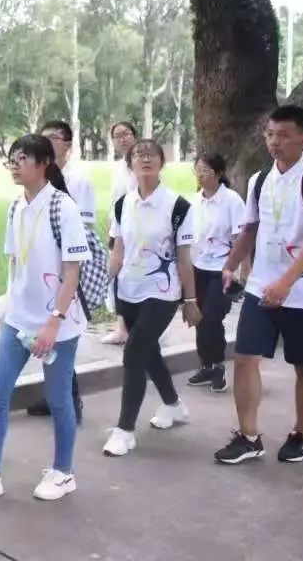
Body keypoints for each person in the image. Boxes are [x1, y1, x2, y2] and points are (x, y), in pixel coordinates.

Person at [0, 134, 88, 502]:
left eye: (22, 158)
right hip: (20, 318)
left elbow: (72, 272)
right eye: (11, 158)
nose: (14, 165)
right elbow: (16, 265)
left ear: (44, 163)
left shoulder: (63, 207)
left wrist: (54, 321)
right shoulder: (15, 207)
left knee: (58, 399)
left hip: (58, 323)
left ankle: (63, 473)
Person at [215, 105, 303, 465]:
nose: (275, 142)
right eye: (270, 134)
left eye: (284, 135)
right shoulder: (259, 180)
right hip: (260, 287)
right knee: (244, 358)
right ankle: (249, 437)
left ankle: (301, 434)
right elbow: (250, 228)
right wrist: (230, 264)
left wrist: (286, 283)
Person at [103, 139, 200, 457]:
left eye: (151, 155)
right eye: (138, 155)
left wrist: (190, 300)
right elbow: (118, 251)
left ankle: (125, 431)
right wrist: (103, 283)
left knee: (134, 352)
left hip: (162, 292)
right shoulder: (122, 204)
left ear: (162, 162)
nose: (144, 159)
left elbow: (184, 258)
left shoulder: (178, 207)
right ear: (130, 163)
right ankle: (173, 405)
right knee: (148, 352)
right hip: (128, 290)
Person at [26, 120, 95, 421]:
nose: (48, 142)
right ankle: (54, 395)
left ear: (68, 145)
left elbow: (85, 227)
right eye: (44, 137)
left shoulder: (79, 181)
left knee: (62, 333)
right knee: (47, 333)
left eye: (54, 138)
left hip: (68, 267)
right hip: (42, 268)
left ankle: (70, 400)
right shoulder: (37, 176)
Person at [187, 153, 247, 393]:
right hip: (197, 267)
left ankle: (218, 365)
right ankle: (206, 365)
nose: (200, 175)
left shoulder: (232, 201)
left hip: (222, 269)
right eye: (197, 170)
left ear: (219, 173)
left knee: (212, 317)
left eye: (205, 170)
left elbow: (241, 237)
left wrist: (241, 270)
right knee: (199, 318)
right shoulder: (194, 201)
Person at [102, 121, 139, 345]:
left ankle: (133, 326)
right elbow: (114, 200)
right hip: (118, 228)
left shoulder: (141, 165)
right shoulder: (118, 168)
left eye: (126, 134)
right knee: (117, 276)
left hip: (136, 231)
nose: (123, 138)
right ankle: (122, 326)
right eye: (117, 136)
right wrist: (110, 225)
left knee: (131, 275)